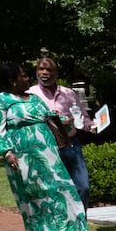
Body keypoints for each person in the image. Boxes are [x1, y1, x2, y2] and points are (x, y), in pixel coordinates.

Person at [0, 61, 89, 231]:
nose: (27, 78)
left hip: (49, 154)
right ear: (12, 80)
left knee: (60, 191)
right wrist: (7, 152)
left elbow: (51, 120)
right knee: (34, 196)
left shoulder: (34, 99)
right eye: (23, 75)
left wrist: (66, 123)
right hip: (22, 157)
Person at [29, 56, 91, 214]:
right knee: (57, 190)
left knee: (82, 186)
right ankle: (66, 230)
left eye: (48, 70)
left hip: (71, 145)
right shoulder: (30, 95)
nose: (44, 73)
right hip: (48, 147)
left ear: (56, 73)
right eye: (41, 69)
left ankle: (80, 225)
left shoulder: (68, 93)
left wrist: (93, 126)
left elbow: (83, 117)